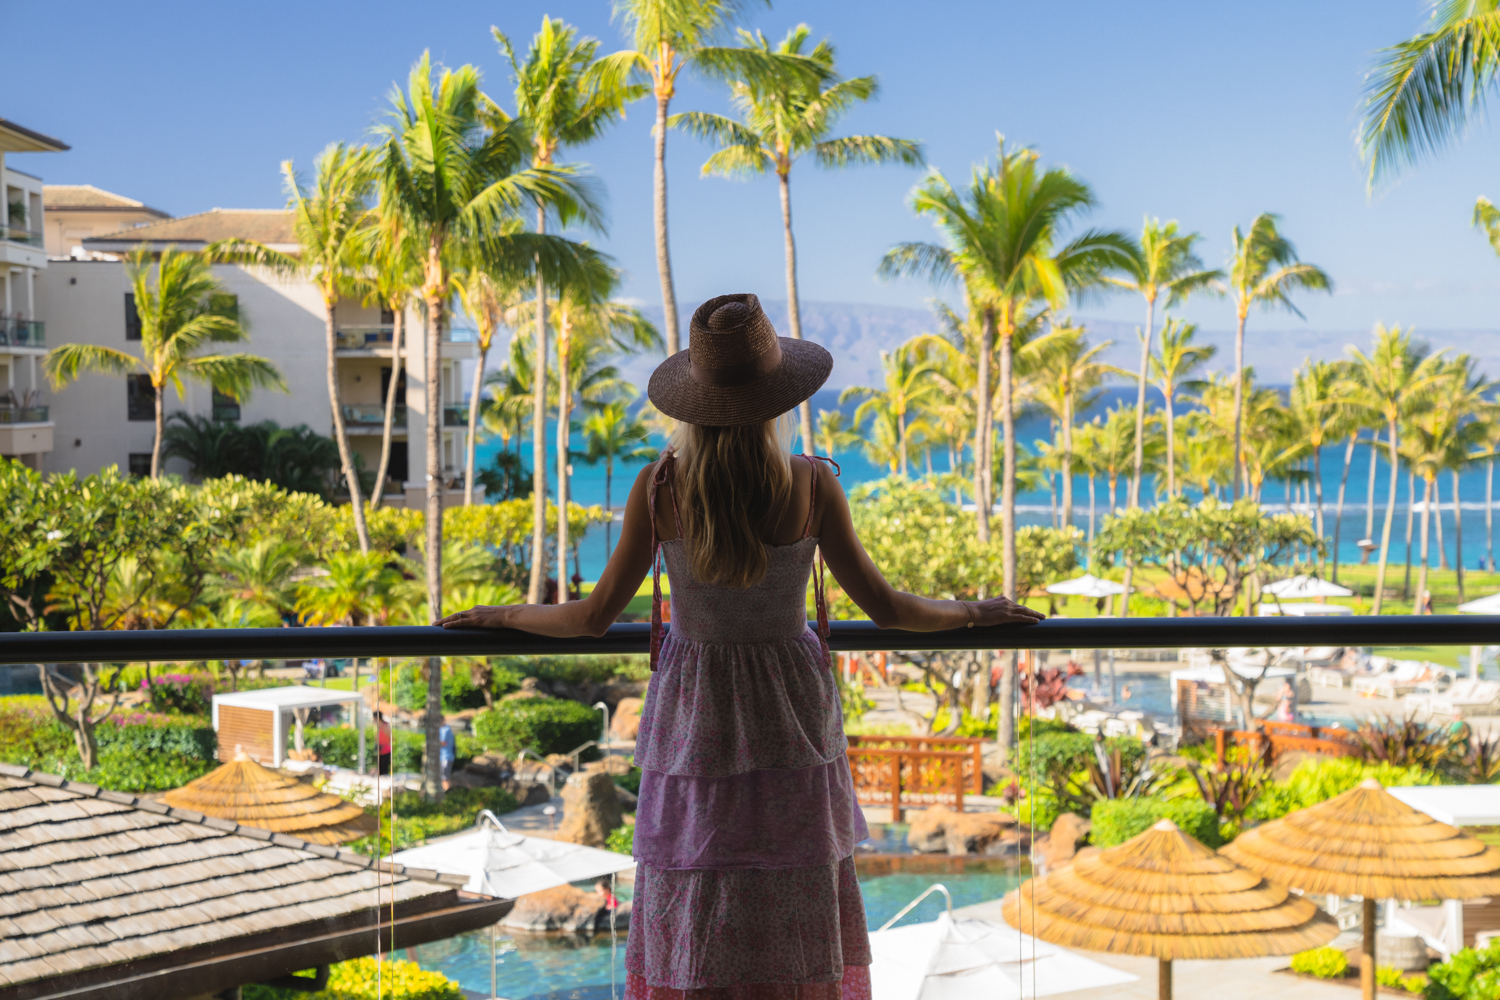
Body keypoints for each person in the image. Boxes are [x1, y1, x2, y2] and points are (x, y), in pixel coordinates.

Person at [437, 294, 1043, 1000]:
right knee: (793, 873)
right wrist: (974, 613)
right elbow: (888, 607)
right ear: (777, 398)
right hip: (788, 710)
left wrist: (507, 616)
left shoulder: (660, 486)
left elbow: (593, 616)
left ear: (691, 402)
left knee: (697, 875)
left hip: (696, 712)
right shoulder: (813, 485)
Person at [438, 721, 456, 790]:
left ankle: (447, 793)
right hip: (442, 756)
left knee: (445, 777)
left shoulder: (446, 729)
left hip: (446, 756)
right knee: (443, 777)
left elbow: (443, 742)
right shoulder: (441, 729)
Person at [374, 710, 392, 777]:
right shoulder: (378, 726)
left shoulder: (386, 726)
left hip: (386, 751)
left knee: (384, 771)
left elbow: (391, 738)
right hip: (380, 751)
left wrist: (383, 745)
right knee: (380, 770)